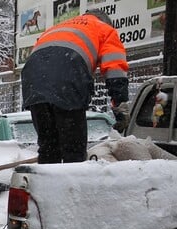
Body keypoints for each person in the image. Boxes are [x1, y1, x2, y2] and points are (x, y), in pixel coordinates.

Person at [21, 9, 130, 163]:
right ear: (105, 21)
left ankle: (46, 185)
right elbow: (115, 69)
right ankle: (71, 186)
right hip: (67, 79)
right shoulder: (105, 29)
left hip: (33, 83)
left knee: (49, 148)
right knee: (74, 150)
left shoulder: (56, 28)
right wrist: (120, 104)